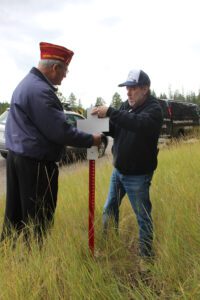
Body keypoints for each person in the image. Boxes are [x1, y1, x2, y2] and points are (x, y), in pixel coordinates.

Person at [1, 42, 102, 244]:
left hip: (18, 159)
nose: (65, 77)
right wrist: (92, 139)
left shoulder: (26, 84)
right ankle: (36, 265)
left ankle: (9, 258)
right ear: (55, 67)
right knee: (39, 219)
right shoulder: (41, 91)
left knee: (15, 216)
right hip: (36, 166)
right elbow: (60, 131)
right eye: (65, 71)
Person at [92, 69, 163, 259]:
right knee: (109, 209)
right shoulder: (126, 106)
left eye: (133, 88)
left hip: (138, 175)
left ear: (145, 88)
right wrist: (97, 124)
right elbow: (116, 128)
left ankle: (146, 259)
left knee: (143, 217)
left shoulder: (154, 110)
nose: (128, 92)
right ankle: (109, 247)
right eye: (127, 88)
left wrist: (111, 112)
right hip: (119, 172)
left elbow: (138, 124)